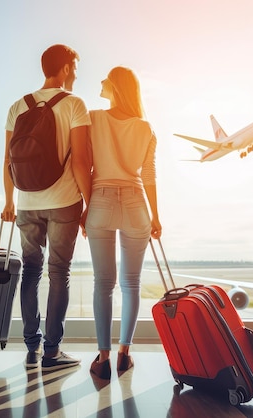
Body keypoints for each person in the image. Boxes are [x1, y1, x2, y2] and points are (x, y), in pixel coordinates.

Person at [1, 44, 92, 371]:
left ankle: (31, 346)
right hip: (64, 202)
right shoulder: (74, 105)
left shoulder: (17, 106)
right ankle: (52, 352)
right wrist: (89, 205)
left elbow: (7, 162)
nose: (77, 75)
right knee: (58, 273)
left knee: (31, 271)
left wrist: (10, 201)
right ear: (66, 67)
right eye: (76, 68)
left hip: (26, 203)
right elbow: (81, 162)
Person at [83, 66, 162, 380]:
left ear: (114, 85)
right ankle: (124, 355)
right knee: (131, 284)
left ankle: (102, 357)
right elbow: (150, 176)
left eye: (105, 78)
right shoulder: (146, 127)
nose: (100, 81)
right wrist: (155, 216)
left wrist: (86, 207)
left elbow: (84, 165)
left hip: (100, 200)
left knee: (103, 284)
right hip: (135, 203)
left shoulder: (93, 118)